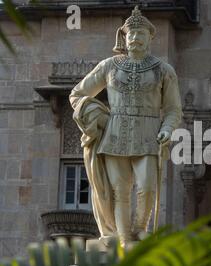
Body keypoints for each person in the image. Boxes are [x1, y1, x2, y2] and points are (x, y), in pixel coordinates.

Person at [69, 6, 182, 248]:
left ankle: (140, 229)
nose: (135, 38)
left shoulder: (163, 70)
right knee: (119, 191)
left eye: (140, 34)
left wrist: (168, 129)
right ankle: (122, 239)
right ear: (124, 37)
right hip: (115, 133)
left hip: (149, 133)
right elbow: (77, 94)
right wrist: (91, 113)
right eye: (131, 34)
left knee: (148, 186)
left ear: (150, 38)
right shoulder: (109, 66)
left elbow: (173, 109)